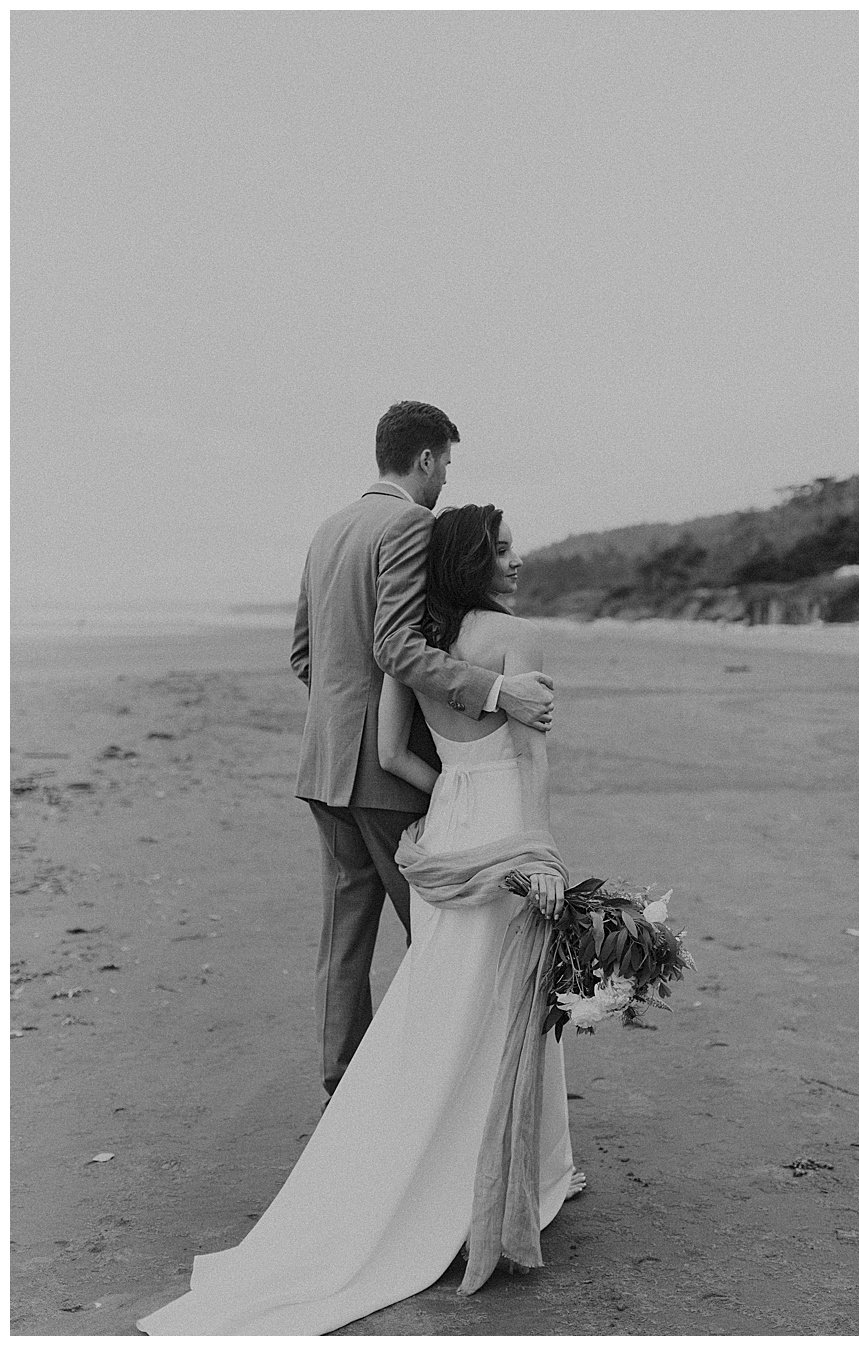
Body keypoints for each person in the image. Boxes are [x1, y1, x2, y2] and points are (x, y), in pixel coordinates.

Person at [140, 505, 583, 1334]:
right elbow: (532, 764)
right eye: (504, 549)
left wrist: (448, 793)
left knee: (437, 997)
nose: (517, 561)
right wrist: (538, 853)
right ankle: (520, 1168)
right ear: (473, 562)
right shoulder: (516, 644)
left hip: (441, 819)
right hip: (500, 831)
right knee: (508, 1002)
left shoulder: (410, 651)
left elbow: (391, 755)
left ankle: (402, 1136)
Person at [288, 401, 554, 1099]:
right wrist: (494, 691)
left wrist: (340, 726)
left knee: (345, 938)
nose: (444, 483)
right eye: (447, 465)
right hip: (384, 775)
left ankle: (346, 1086)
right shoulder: (410, 522)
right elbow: (397, 648)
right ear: (428, 459)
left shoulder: (329, 528)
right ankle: (433, 1100)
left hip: (321, 768)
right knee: (445, 939)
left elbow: (303, 656)